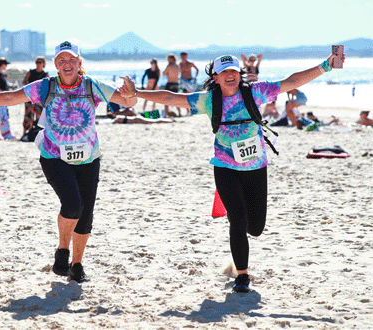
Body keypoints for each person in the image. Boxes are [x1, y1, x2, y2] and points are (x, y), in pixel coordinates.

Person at [121, 52, 344, 293]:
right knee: (237, 219)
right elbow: (171, 97)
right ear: (215, 77)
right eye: (224, 72)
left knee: (255, 228)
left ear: (240, 75)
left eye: (234, 71)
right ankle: (242, 275)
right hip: (225, 166)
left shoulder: (256, 92)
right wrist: (136, 93)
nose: (230, 75)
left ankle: (240, 233)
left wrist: (326, 66)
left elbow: (291, 81)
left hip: (255, 167)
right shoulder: (209, 100)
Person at [0, 41, 137, 283]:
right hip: (54, 156)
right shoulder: (45, 86)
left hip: (89, 158)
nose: (67, 64)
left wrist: (131, 92)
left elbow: (128, 103)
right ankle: (62, 250)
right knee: (73, 206)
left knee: (86, 215)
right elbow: (9, 98)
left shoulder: (93, 86)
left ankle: (77, 265)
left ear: (80, 64)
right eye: (62, 60)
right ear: (56, 65)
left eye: (72, 59)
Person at [21, 56, 49, 140]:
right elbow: (24, 82)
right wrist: (30, 90)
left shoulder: (45, 74)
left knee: (39, 116)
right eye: (37, 62)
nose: (38, 64)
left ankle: (38, 134)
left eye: (40, 62)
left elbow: (47, 86)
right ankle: (25, 133)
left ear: (43, 63)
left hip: (39, 99)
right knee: (28, 115)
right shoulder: (31, 72)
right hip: (29, 97)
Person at [0, 57, 15, 140]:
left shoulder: (2, 74)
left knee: (0, 115)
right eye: (5, 64)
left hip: (1, 98)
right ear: (2, 65)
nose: (6, 66)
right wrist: (2, 92)